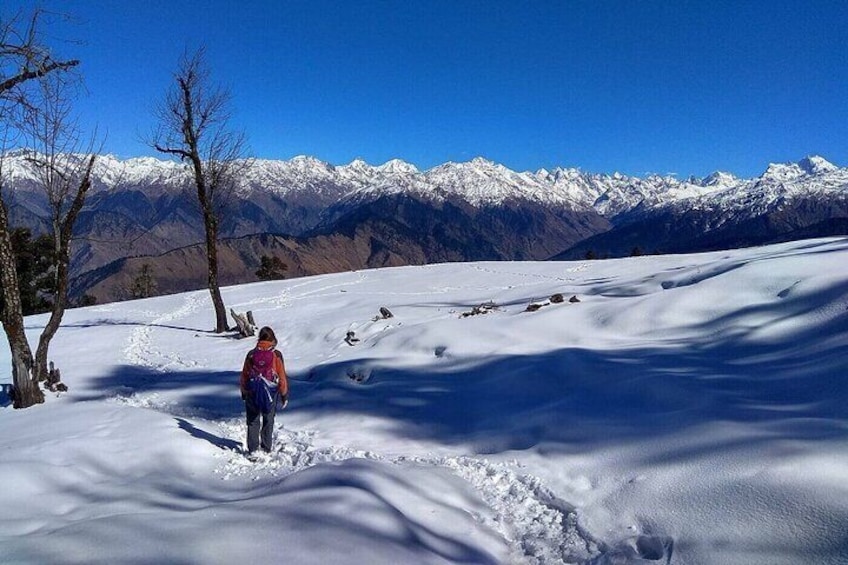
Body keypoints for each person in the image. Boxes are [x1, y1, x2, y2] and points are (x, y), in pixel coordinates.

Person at [240, 326, 288, 457]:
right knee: (268, 419)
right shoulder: (276, 355)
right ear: (273, 339)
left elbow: (244, 375)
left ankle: (253, 450)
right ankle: (266, 448)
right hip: (270, 393)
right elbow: (282, 377)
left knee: (253, 420)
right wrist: (284, 395)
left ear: (259, 338)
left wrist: (244, 391)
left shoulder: (251, 354)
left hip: (252, 391)